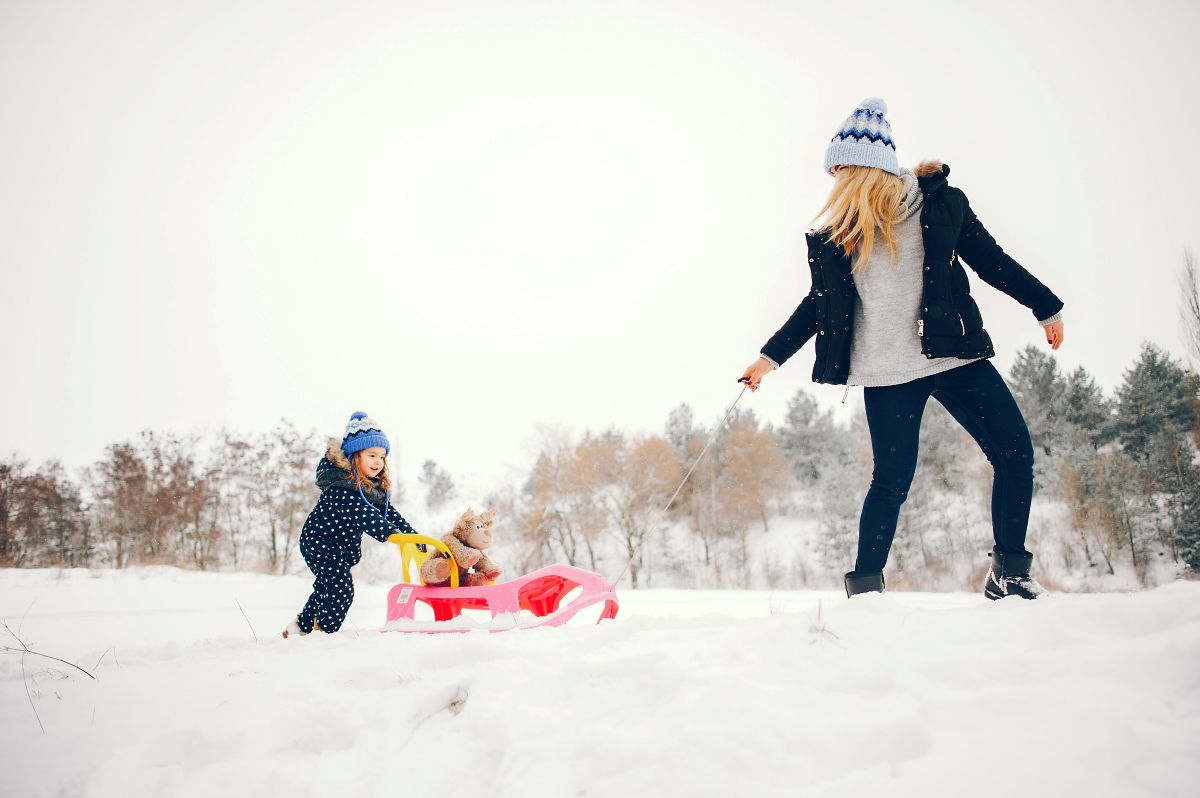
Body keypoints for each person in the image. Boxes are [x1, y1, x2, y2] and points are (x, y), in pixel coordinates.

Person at [739, 98, 1064, 601]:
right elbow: (817, 305)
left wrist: (1045, 307)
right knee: (891, 481)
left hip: (954, 355)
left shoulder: (942, 206)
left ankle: (1010, 572)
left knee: (1015, 454)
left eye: (843, 170)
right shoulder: (838, 235)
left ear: (871, 170)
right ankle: (865, 590)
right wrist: (769, 358)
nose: (837, 183)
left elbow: (992, 262)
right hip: (887, 372)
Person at [282, 411, 419, 636]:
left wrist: (410, 536)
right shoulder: (340, 487)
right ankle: (323, 632)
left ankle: (299, 628)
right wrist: (388, 532)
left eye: (382, 457)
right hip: (319, 542)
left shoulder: (371, 489)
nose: (378, 462)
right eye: (372, 455)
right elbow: (361, 513)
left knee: (326, 586)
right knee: (340, 587)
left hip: (340, 548)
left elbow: (388, 512)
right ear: (355, 456)